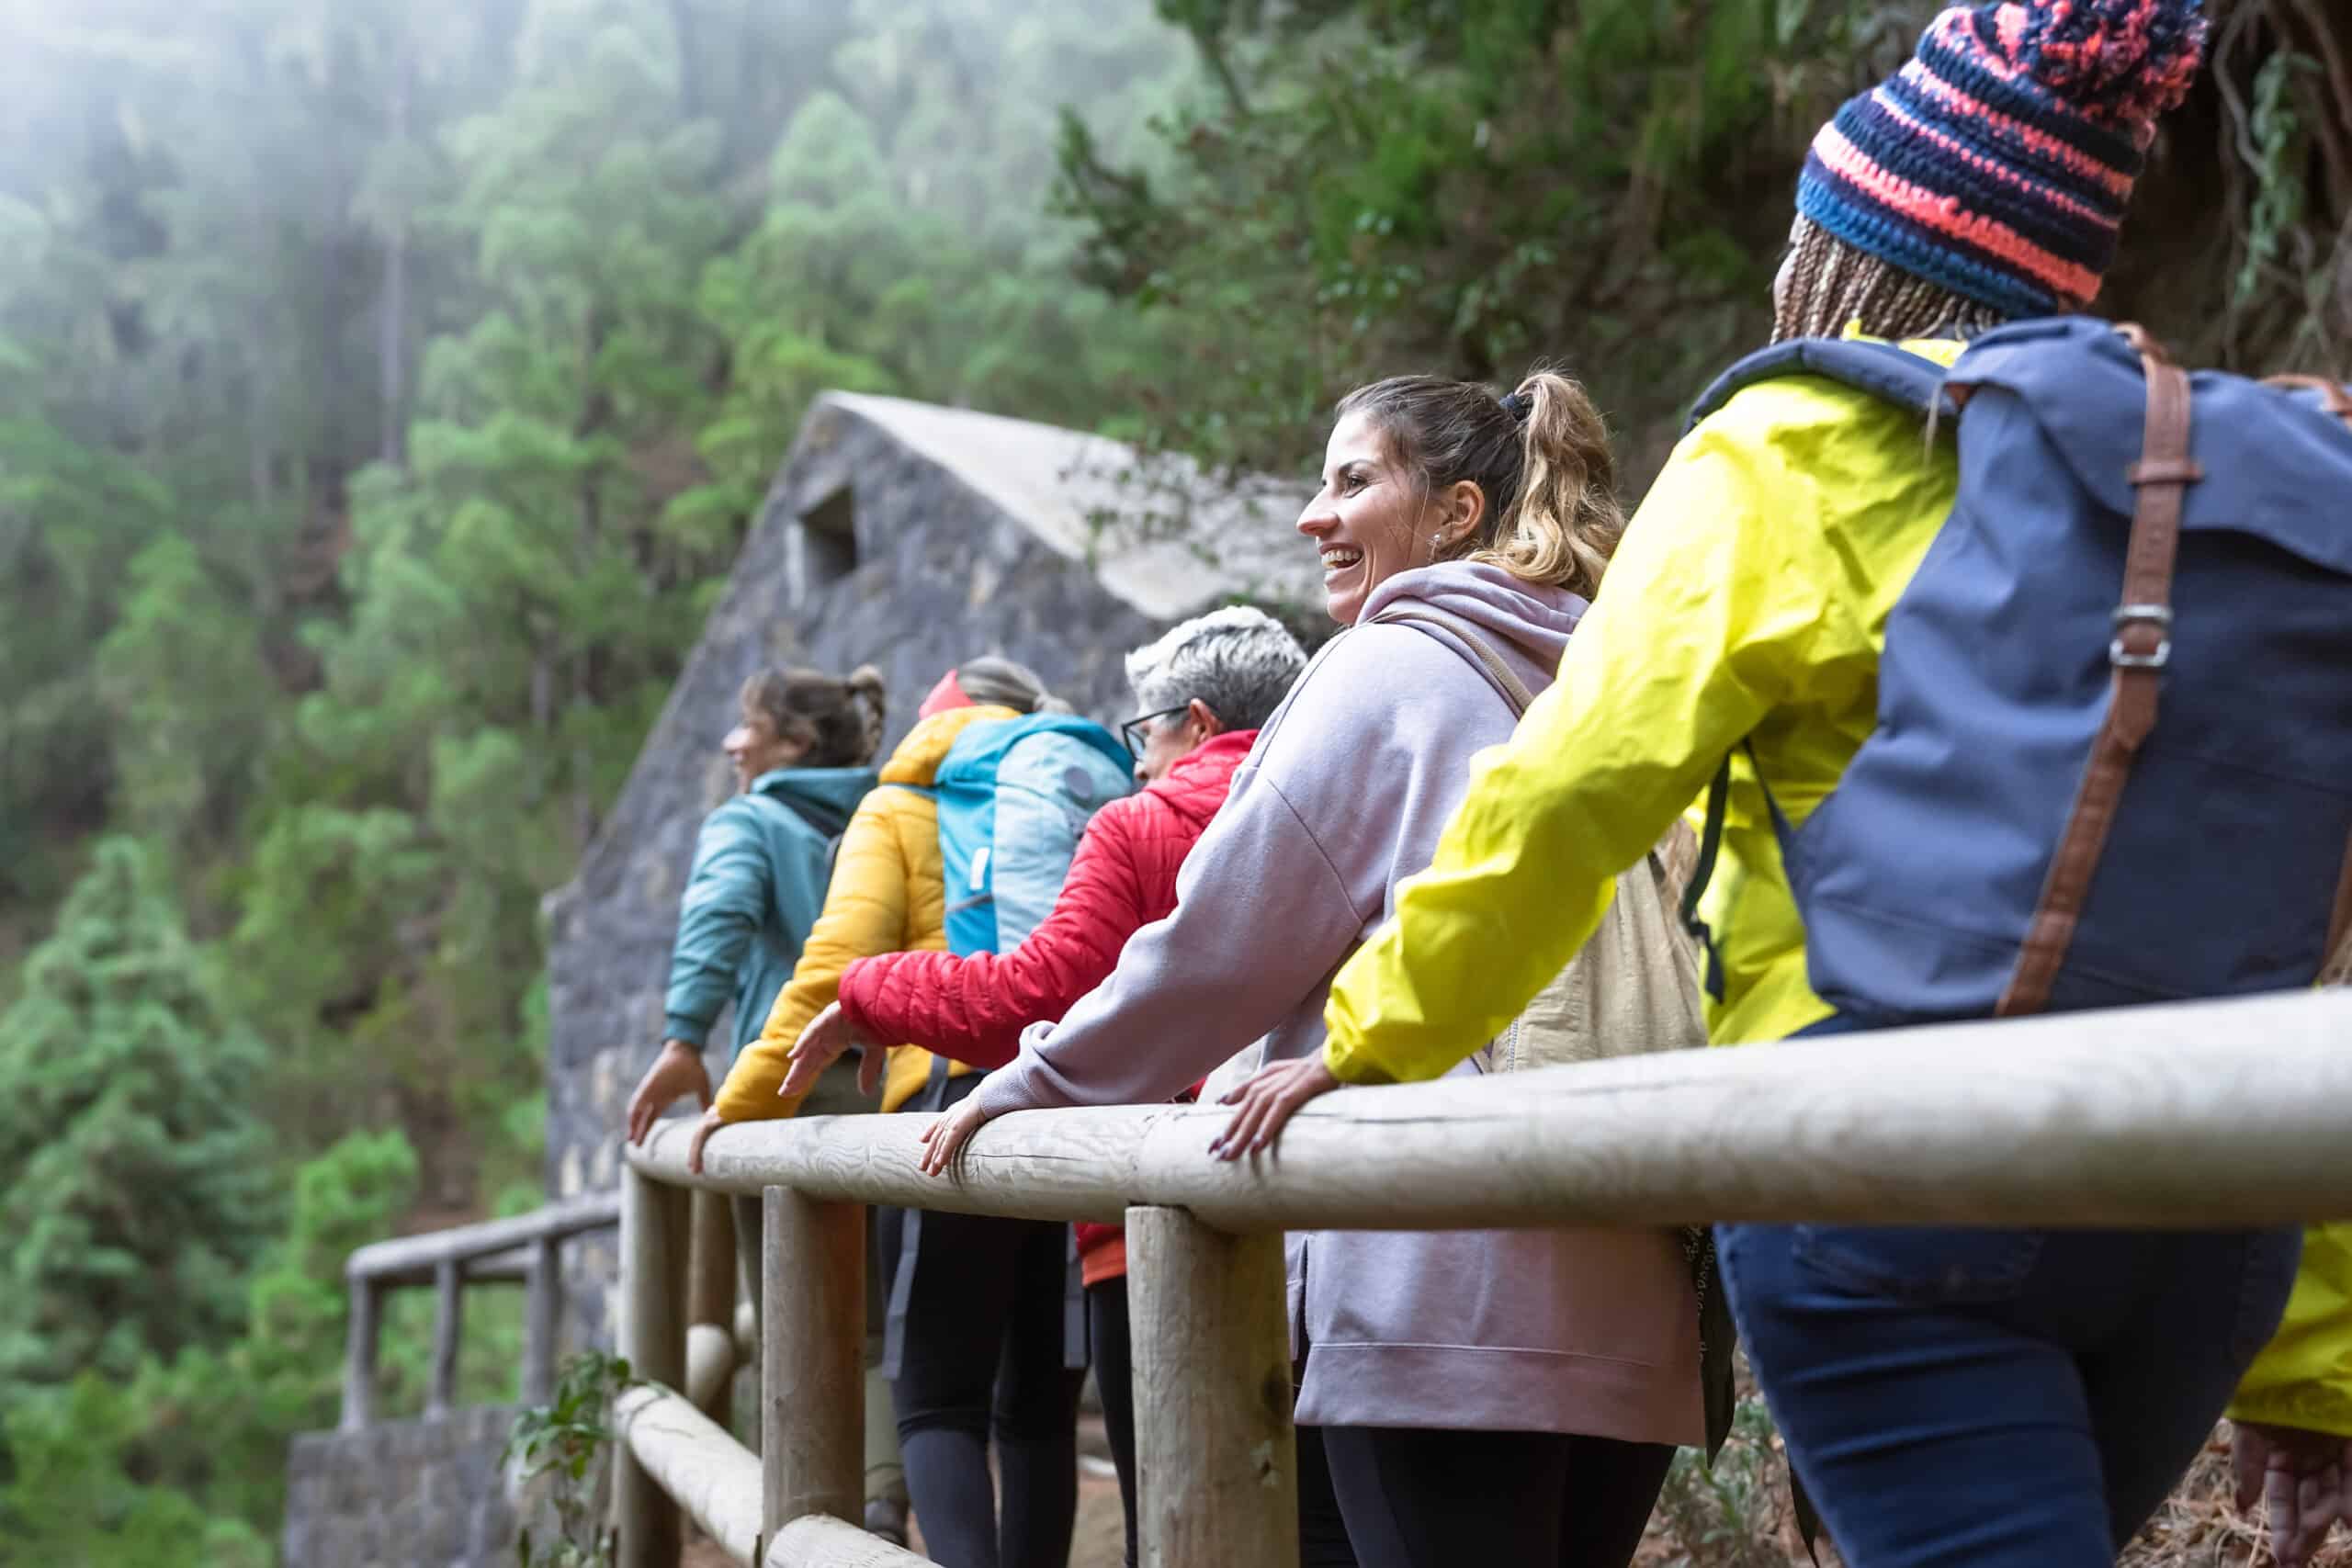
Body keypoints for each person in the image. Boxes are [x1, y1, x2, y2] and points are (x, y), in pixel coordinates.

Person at [1227, 4, 2346, 1565]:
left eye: (1805, 244)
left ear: (1852, 261)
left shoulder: (1792, 442)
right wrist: (2314, 1358)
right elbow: (2299, 906)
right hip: (2205, 1209)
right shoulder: (2191, 476)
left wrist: (1371, 1037)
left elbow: (1572, 787)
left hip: (1887, 1161)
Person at [921, 373, 1705, 1568]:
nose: (1311, 516)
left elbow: (1212, 951)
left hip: (1441, 1293)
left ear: (1454, 512)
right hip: (1643, 1293)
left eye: (1352, 481)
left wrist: (1031, 1083)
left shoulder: (1386, 670)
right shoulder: (1616, 676)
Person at [784, 606, 1309, 1568]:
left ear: (1190, 722)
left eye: (1142, 735)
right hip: (1344, 1212)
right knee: (1317, 1519)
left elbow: (1037, 992)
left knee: (1165, 1511)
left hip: (1145, 1213)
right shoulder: (1338, 795)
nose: (1137, 759)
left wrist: (868, 992)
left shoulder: (1139, 826)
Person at [705, 655, 1085, 1568]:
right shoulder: (1071, 799)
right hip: (1070, 1101)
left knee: (935, 1396)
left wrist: (742, 1102)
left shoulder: (901, 805)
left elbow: (834, 968)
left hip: (948, 1108)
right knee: (1037, 1403)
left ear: (935, 721)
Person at [617, 661, 906, 1536]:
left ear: (796, 743)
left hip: (783, 1091)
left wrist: (681, 1039)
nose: (731, 743)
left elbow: (720, 913)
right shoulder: (890, 814)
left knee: (795, 1323)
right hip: (891, 1091)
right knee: (874, 1329)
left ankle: (809, 1529)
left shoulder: (751, 819)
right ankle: (882, 1507)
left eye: (748, 725)